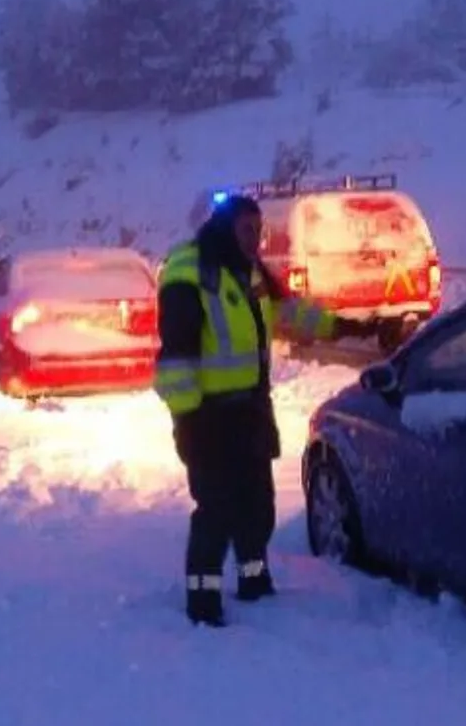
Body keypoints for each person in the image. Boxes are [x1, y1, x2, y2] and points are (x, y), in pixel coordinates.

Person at [154, 195, 368, 627]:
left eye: (260, 230)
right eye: (248, 230)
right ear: (224, 227)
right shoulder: (189, 271)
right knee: (215, 507)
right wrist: (187, 422)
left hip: (251, 409)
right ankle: (203, 599)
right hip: (209, 416)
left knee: (257, 504)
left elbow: (289, 313)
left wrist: (347, 326)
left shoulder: (249, 271)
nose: (256, 238)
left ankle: (254, 578)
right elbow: (176, 358)